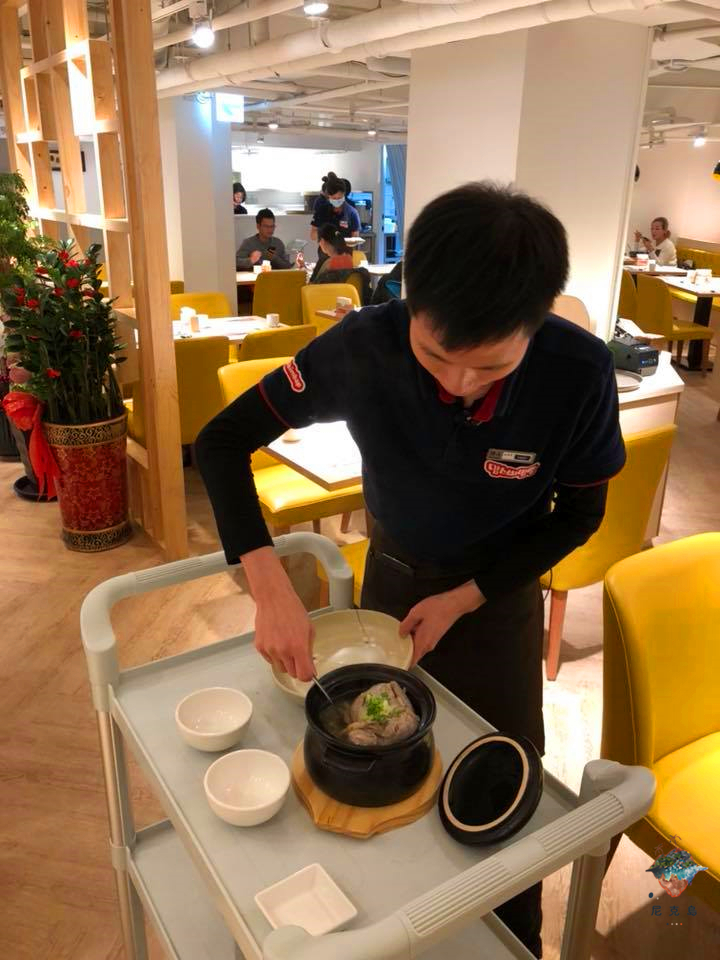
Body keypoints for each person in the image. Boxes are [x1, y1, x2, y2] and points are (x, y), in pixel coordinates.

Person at [196, 182, 625, 958]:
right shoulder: (362, 343)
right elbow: (222, 443)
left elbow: (580, 514)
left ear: (535, 324)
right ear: (408, 300)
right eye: (435, 357)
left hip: (497, 597)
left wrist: (467, 597)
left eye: (490, 367)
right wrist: (269, 586)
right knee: (369, 765)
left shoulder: (577, 371)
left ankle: (514, 940)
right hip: (391, 581)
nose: (459, 385)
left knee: (501, 782)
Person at [310, 171, 361, 243]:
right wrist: (326, 234)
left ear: (344, 195)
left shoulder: (352, 212)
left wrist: (344, 243)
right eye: (334, 198)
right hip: (325, 248)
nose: (337, 201)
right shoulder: (322, 210)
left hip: (345, 248)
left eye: (339, 198)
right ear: (328, 196)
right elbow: (312, 235)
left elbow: (355, 236)